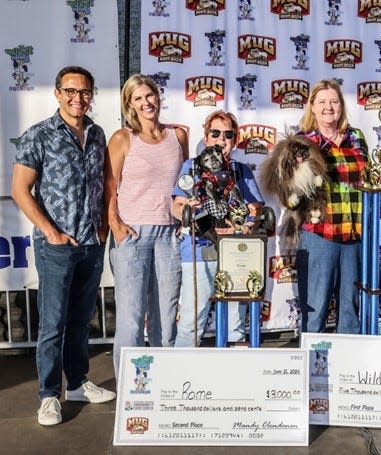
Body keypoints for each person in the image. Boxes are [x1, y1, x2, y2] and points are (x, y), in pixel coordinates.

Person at [11, 66, 116, 426]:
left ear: (91, 95)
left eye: (85, 92)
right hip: (56, 245)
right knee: (53, 323)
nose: (78, 98)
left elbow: (104, 182)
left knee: (80, 319)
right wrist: (51, 232)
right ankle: (48, 395)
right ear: (57, 93)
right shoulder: (38, 135)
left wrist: (103, 224)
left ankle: (78, 382)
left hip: (91, 242)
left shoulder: (97, 133)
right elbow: (20, 190)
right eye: (70, 91)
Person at [106, 74, 187, 376]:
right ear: (130, 104)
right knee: (131, 316)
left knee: (166, 314)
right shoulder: (123, 138)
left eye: (149, 95)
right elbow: (109, 185)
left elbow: (185, 184)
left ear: (158, 96)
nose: (146, 102)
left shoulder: (177, 136)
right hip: (133, 233)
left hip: (169, 233)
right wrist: (114, 222)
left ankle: (164, 380)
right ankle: (131, 385)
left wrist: (181, 219)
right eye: (138, 98)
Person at [172, 110, 264, 347]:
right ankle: (183, 376)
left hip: (234, 251)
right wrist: (188, 211)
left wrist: (243, 223)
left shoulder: (241, 170)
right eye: (215, 133)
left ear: (234, 140)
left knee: (234, 323)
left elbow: (256, 208)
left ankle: (233, 378)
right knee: (192, 321)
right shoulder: (191, 167)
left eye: (228, 134)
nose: (221, 139)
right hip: (199, 250)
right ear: (206, 137)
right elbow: (176, 206)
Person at [296, 79, 368, 333]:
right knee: (315, 306)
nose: (329, 107)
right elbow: (292, 190)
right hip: (320, 233)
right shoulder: (302, 142)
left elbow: (368, 178)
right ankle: (309, 365)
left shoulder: (356, 137)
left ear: (341, 106)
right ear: (312, 107)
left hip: (354, 234)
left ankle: (348, 369)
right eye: (323, 102)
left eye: (334, 101)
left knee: (351, 307)